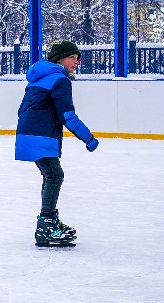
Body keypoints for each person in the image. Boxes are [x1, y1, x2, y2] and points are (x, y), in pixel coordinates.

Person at [15, 39, 100, 248]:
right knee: (55, 175)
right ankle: (46, 225)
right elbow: (68, 116)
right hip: (41, 135)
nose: (77, 61)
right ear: (59, 58)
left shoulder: (39, 78)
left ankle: (49, 221)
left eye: (78, 57)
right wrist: (88, 138)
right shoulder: (59, 79)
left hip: (29, 133)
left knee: (50, 175)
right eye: (72, 57)